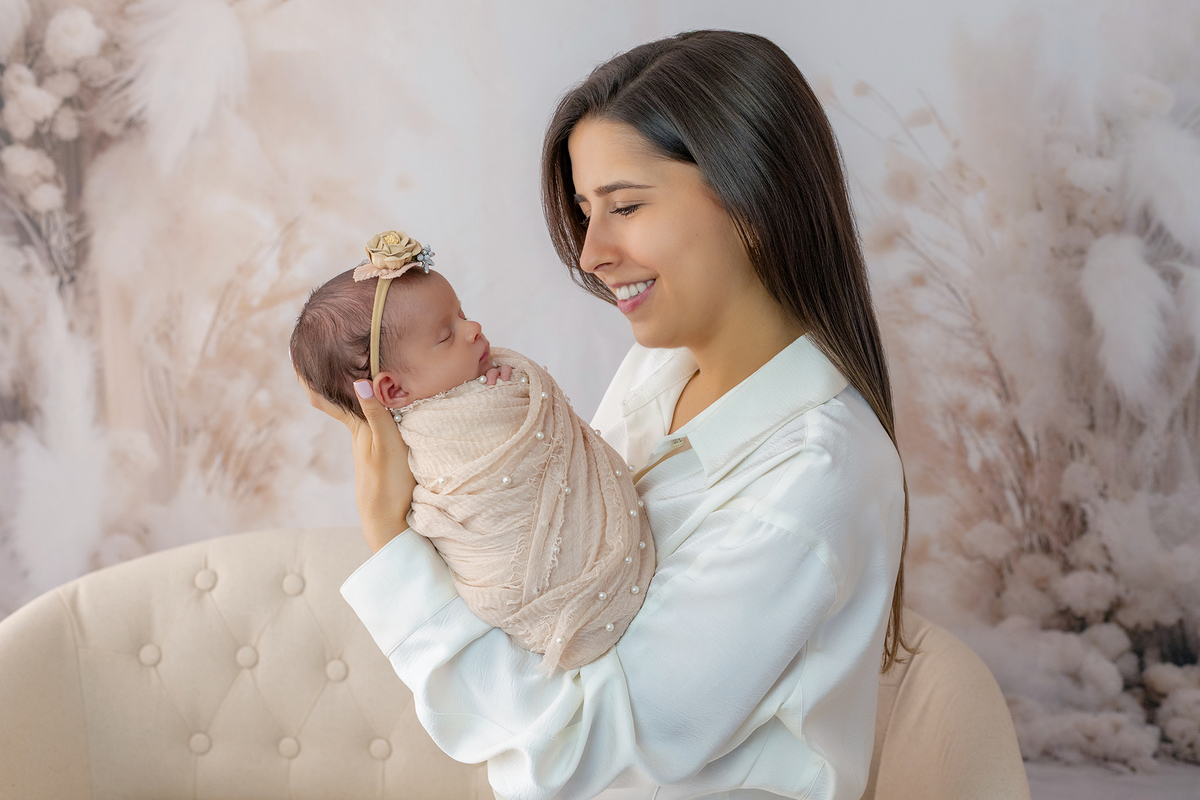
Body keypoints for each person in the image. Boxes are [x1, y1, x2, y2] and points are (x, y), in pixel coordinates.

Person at [306, 29, 909, 800]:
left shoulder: (813, 477)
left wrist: (391, 544)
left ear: (755, 197)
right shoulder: (661, 366)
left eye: (625, 206)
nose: (591, 253)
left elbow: (579, 756)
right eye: (588, 211)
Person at [289, 231, 655, 674]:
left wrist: (502, 392)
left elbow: (538, 440)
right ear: (393, 389)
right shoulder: (421, 444)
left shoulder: (487, 386)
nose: (473, 329)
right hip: (517, 591)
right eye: (446, 335)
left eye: (462, 314)